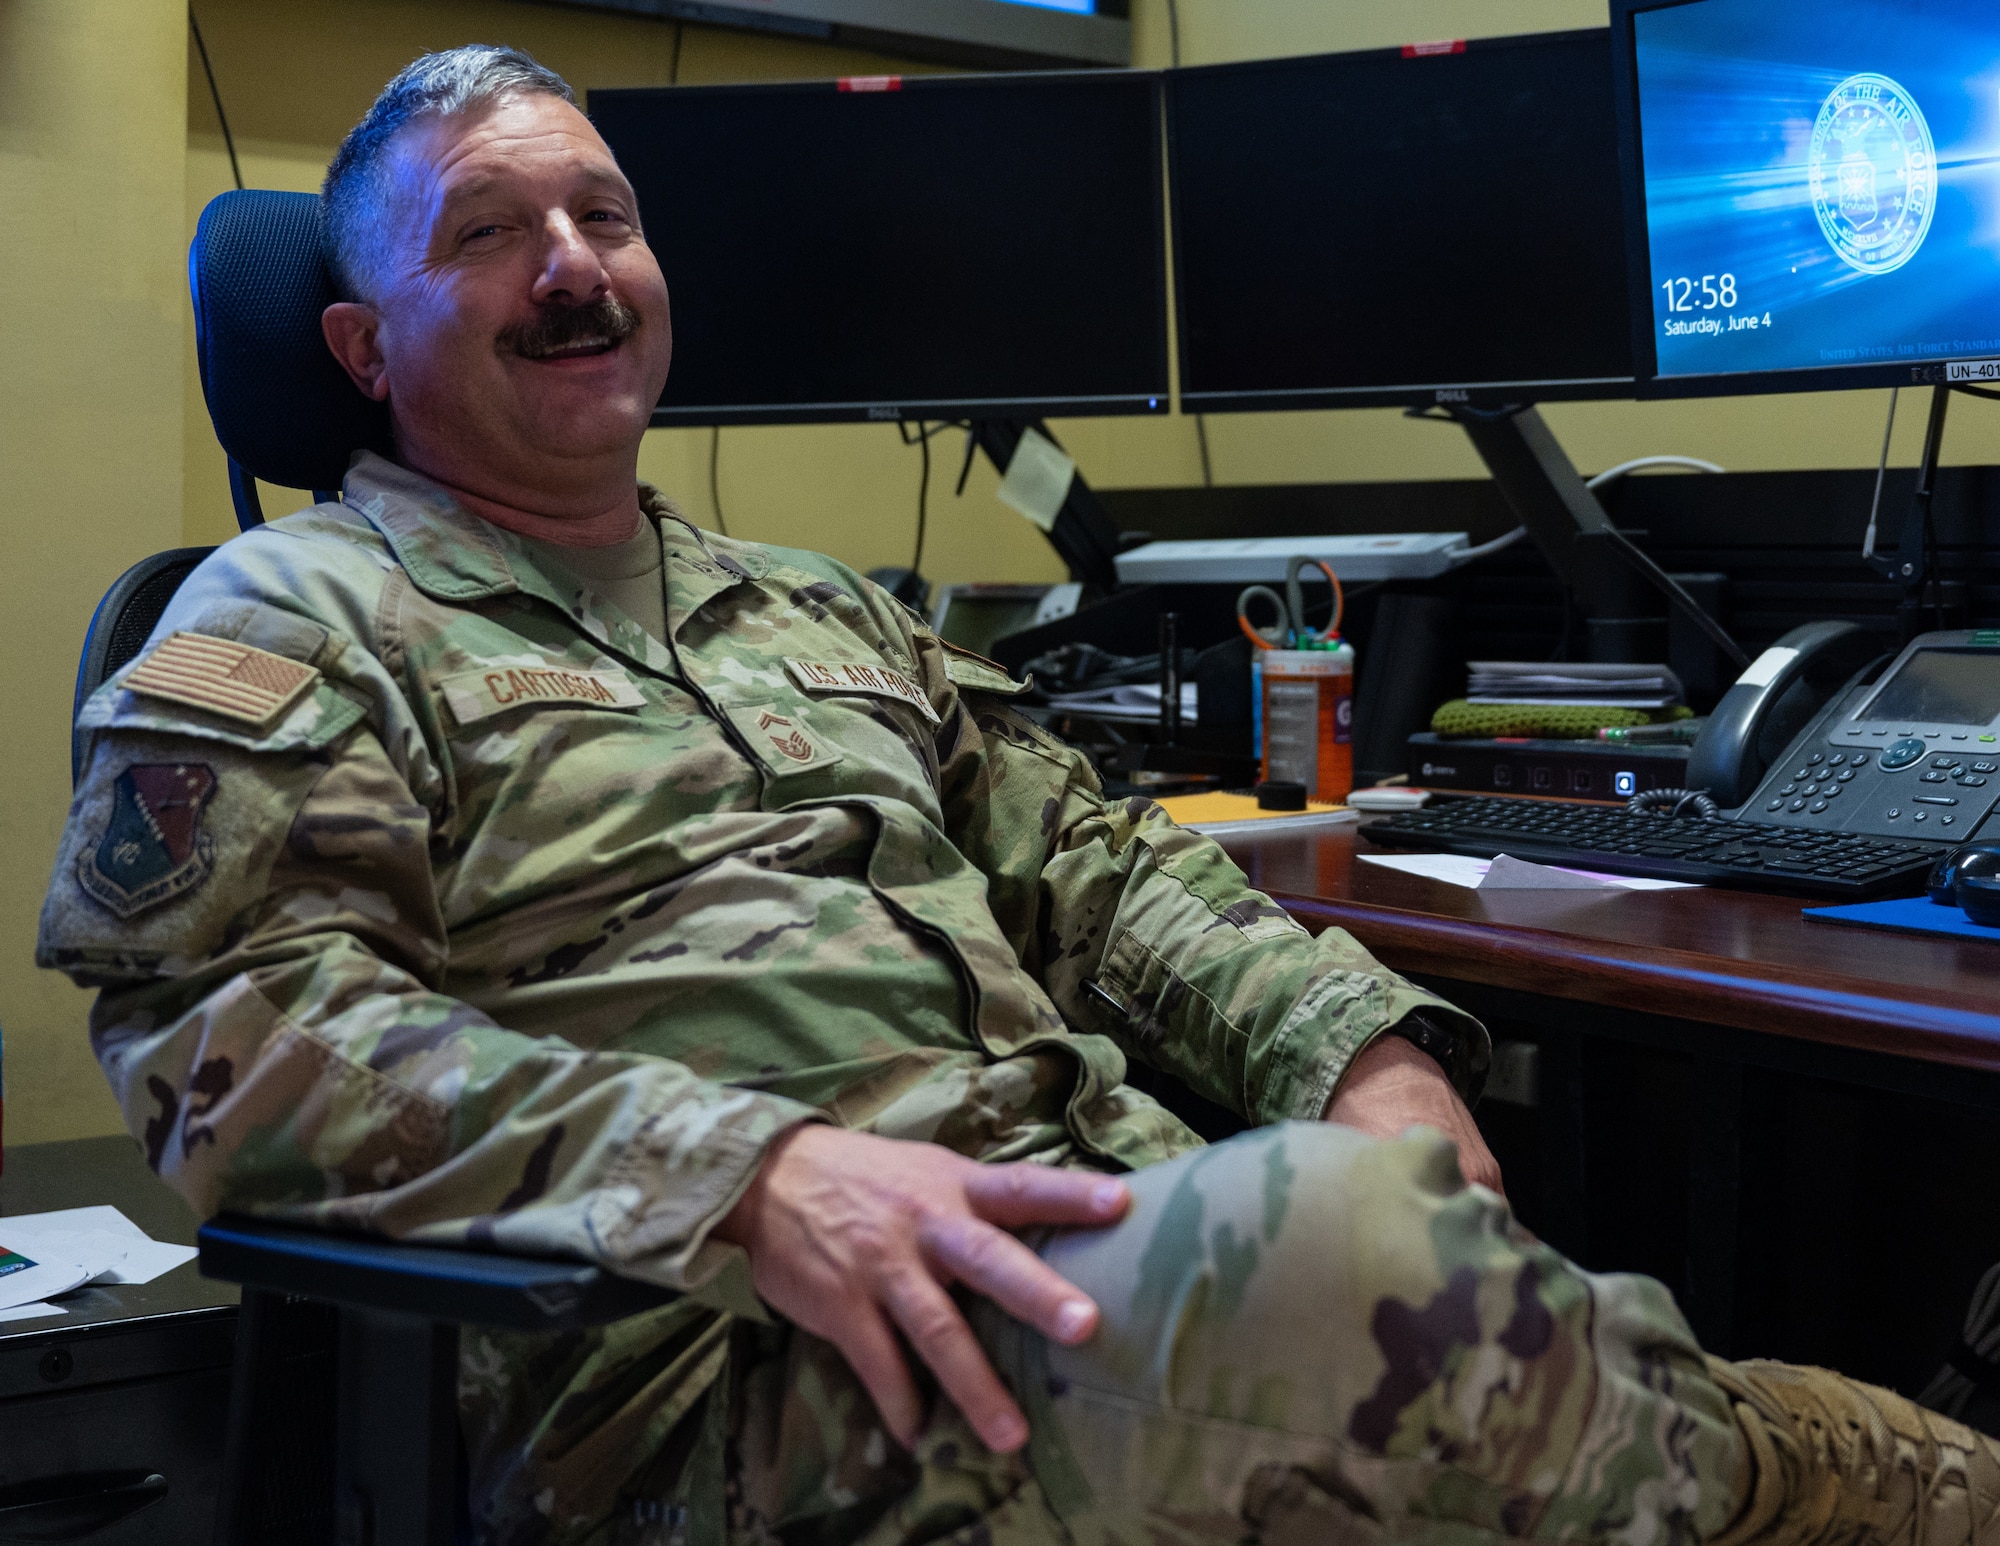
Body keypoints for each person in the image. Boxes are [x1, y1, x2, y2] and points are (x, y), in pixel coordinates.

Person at [38, 44, 2000, 1546]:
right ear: (362, 348)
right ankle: (1912, 1480)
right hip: (728, 1371)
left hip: (1110, 1244)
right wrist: (745, 1174)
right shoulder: (295, 617)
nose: (574, 269)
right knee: (1361, 1281)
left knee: (1380, 1219)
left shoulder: (813, 608)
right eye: (487, 232)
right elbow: (228, 1035)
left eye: (606, 218)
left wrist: (1360, 1053)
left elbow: (1101, 872)